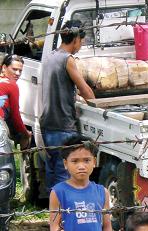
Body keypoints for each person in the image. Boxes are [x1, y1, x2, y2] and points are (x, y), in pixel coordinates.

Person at [39, 19, 95, 192]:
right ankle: (64, 214)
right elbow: (86, 91)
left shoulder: (50, 57)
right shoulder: (67, 59)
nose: (81, 45)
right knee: (65, 176)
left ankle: (53, 213)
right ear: (76, 39)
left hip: (48, 125)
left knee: (53, 172)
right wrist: (97, 105)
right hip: (63, 126)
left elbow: (61, 85)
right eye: (82, 42)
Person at [49, 135, 112, 231]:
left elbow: (107, 226)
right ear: (65, 164)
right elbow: (54, 227)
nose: (81, 166)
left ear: (94, 161)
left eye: (87, 160)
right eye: (75, 161)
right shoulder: (58, 192)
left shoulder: (103, 192)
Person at [0, 54, 31, 149]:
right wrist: (26, 134)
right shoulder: (11, 85)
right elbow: (16, 116)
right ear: (4, 67)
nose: (17, 73)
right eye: (14, 69)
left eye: (20, 71)